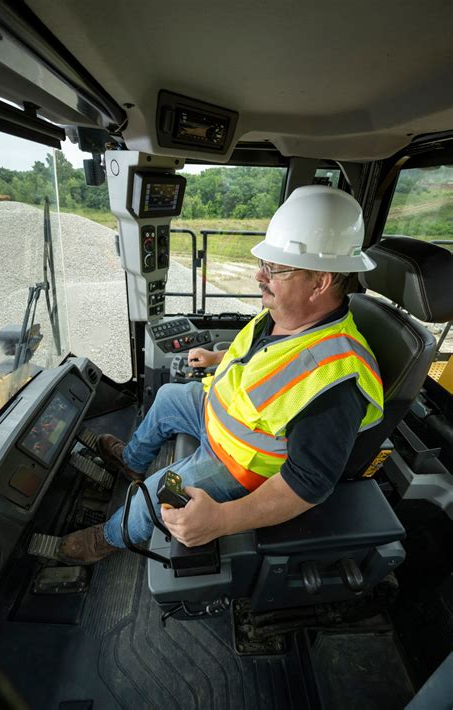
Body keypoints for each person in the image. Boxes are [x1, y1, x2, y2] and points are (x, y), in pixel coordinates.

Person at [57, 185, 384, 565]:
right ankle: (130, 460)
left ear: (321, 281)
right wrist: (216, 357)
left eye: (276, 268)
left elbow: (309, 483)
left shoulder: (333, 378)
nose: (260, 276)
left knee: (154, 493)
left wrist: (222, 520)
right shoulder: (291, 315)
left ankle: (107, 538)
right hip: (218, 416)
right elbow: (260, 356)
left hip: (239, 462)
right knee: (167, 399)